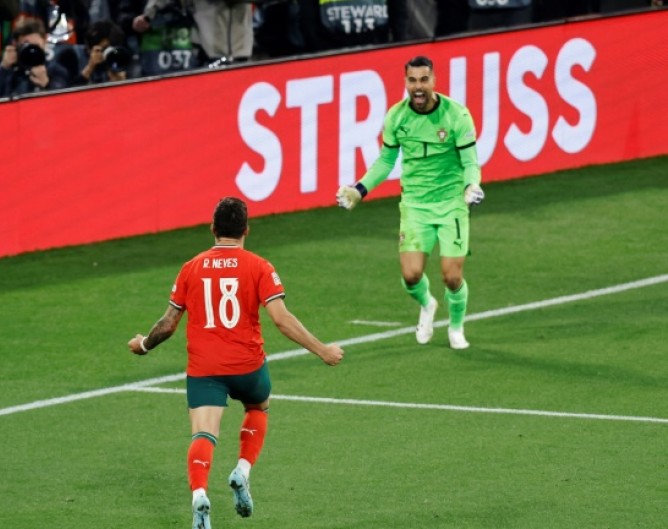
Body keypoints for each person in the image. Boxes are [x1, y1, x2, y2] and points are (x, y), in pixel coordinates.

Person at [127, 196, 344, 529]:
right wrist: (321, 349)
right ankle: (242, 470)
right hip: (248, 367)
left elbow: (169, 323)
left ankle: (200, 495)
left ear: (213, 229)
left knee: (204, 433)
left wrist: (143, 344)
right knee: (258, 407)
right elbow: (282, 320)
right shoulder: (259, 266)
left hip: (204, 370)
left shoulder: (192, 267)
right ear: (246, 230)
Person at [336, 55, 485, 350]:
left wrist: (472, 185)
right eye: (412, 80)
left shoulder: (457, 115)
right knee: (411, 274)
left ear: (434, 80)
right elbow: (386, 160)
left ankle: (456, 327)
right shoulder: (396, 117)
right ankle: (427, 304)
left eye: (424, 80)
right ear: (406, 82)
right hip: (415, 205)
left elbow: (470, 162)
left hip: (451, 204)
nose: (418, 87)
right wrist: (359, 190)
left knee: (452, 277)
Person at [0, 18, 70, 99]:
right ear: (16, 44)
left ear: (45, 42)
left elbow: (65, 102)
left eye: (36, 46)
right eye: (27, 45)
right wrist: (3, 67)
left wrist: (47, 84)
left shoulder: (55, 71)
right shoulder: (7, 73)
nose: (32, 51)